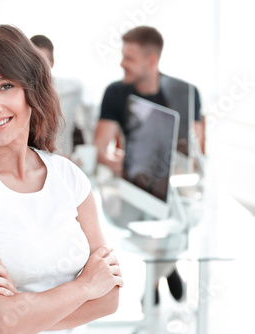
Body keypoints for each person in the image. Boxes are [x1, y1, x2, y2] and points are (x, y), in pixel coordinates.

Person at [0, 25, 123, 334]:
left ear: (31, 89)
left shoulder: (68, 177)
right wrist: (85, 286)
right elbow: (1, 322)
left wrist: (20, 307)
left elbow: (110, 297)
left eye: (5, 86)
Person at [93, 26, 196, 305]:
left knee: (183, 219)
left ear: (151, 61)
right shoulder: (116, 92)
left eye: (129, 58)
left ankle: (153, 280)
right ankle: (167, 267)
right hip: (134, 179)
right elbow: (101, 148)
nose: (121, 63)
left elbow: (196, 155)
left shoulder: (184, 93)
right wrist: (114, 161)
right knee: (135, 223)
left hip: (170, 182)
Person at [30, 34, 86, 156]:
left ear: (52, 63)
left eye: (43, 61)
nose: (38, 68)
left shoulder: (73, 88)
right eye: (33, 61)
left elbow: (90, 113)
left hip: (65, 163)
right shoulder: (20, 94)